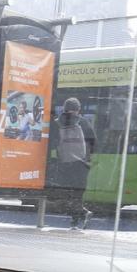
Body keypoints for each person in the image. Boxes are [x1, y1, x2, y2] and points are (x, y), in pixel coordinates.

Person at [52, 97, 97, 230]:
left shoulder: (57, 123)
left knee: (68, 194)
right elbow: (93, 142)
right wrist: (87, 157)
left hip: (65, 163)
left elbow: (53, 143)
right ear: (78, 109)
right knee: (77, 194)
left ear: (64, 108)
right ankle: (80, 216)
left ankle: (77, 219)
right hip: (81, 165)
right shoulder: (83, 122)